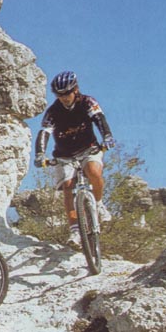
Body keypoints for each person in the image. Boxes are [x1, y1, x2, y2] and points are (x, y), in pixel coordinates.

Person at [34, 71, 115, 248]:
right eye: (59, 95)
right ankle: (75, 230)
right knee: (68, 187)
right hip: (64, 155)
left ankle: (99, 204)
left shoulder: (87, 101)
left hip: (89, 148)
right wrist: (40, 154)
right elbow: (44, 133)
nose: (63, 98)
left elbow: (99, 119)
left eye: (67, 93)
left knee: (93, 172)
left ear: (75, 90)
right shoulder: (53, 111)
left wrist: (107, 136)